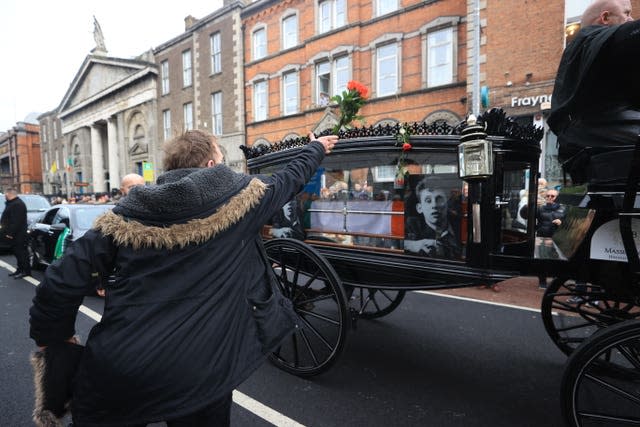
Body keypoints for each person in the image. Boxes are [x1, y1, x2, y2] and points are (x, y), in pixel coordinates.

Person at [29, 129, 337, 426]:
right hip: (200, 372)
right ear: (212, 165)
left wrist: (58, 342)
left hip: (119, 367)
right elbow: (289, 179)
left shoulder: (126, 215)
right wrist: (316, 148)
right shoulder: (242, 203)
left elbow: (57, 283)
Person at [547, 0, 638, 183]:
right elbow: (628, 35)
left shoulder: (592, 51)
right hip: (594, 130)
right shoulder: (592, 38)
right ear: (605, 17)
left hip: (585, 135)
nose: (631, 18)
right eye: (626, 13)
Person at [404, 176, 462, 258]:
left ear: (447, 203)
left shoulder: (459, 223)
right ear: (419, 208)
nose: (434, 205)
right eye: (428, 201)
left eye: (439, 199)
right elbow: (395, 244)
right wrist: (412, 245)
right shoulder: (412, 224)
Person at [536, 189, 566, 288]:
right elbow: (526, 215)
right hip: (543, 237)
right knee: (542, 260)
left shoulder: (564, 209)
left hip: (558, 238)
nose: (549, 198)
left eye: (552, 196)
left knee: (557, 260)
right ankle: (542, 282)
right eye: (547, 196)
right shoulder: (540, 208)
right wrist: (529, 205)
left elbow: (570, 224)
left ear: (557, 197)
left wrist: (562, 223)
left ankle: (555, 282)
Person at [1, 188, 31, 279]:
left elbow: (16, 221)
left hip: (19, 235)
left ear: (10, 194)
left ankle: (25, 271)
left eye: (6, 194)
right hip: (15, 234)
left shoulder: (18, 204)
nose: (5, 196)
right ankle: (19, 269)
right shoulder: (13, 203)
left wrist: (10, 233)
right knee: (17, 253)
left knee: (21, 253)